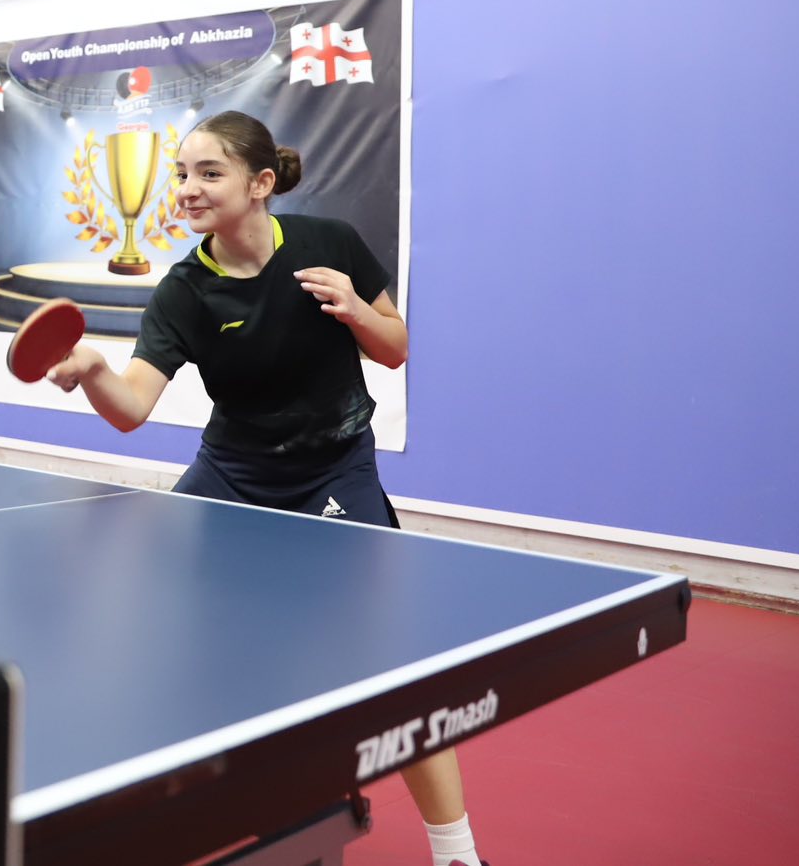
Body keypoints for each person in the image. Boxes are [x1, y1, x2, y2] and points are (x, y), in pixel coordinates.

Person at [45, 110, 487, 866]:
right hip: (233, 472)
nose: (188, 188)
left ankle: (457, 854)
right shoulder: (185, 290)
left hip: (333, 467)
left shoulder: (327, 244)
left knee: (390, 664)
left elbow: (395, 348)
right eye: (182, 174)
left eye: (208, 173)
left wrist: (355, 309)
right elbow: (132, 409)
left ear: (260, 184)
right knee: (177, 642)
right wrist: (93, 372)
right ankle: (212, 818)